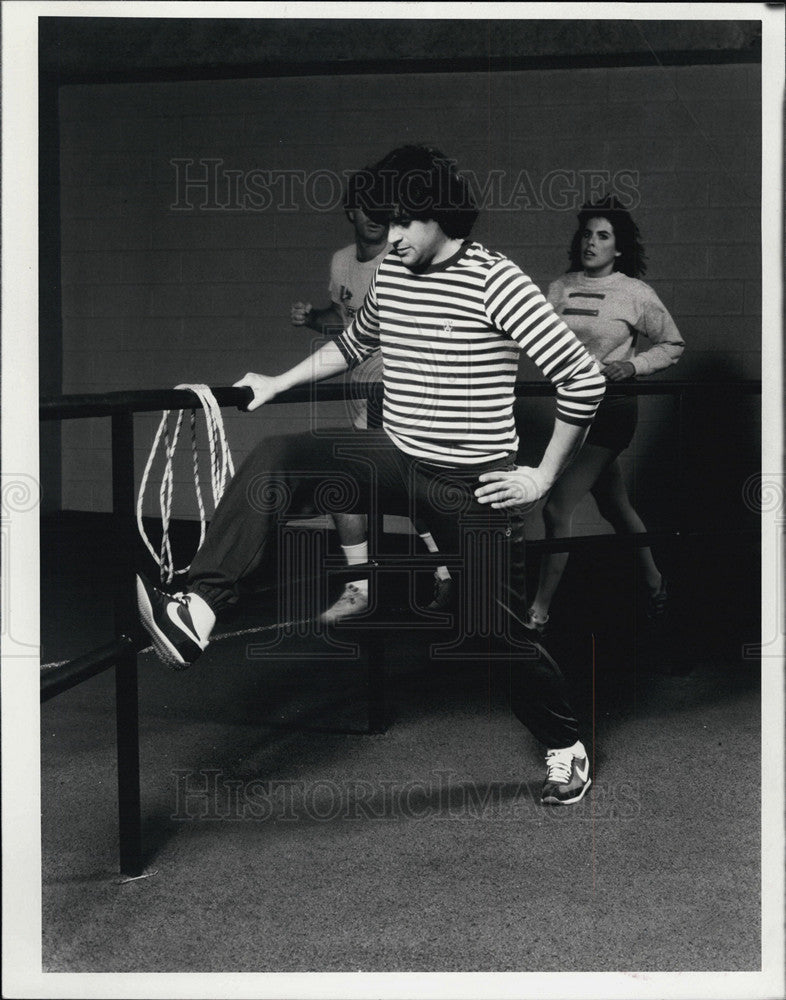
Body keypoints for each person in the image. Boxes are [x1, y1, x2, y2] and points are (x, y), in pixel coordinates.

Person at [136, 144, 607, 806]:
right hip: (394, 456)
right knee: (280, 455)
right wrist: (277, 382)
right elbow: (355, 343)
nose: (389, 239)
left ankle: (565, 747)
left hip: (473, 483)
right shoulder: (392, 272)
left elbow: (581, 377)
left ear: (440, 215)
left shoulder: (498, 280)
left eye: (403, 226)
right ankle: (202, 604)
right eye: (385, 225)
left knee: (492, 633)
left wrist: (542, 478)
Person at [290, 168, 450, 622]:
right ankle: (390, 580)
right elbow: (348, 328)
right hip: (361, 393)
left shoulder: (402, 258)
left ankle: (406, 579)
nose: (378, 216)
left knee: (364, 481)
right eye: (368, 206)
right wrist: (314, 318)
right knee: (374, 487)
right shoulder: (342, 262)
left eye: (387, 207)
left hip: (399, 392)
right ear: (351, 212)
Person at [523, 196, 685, 635]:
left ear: (618, 248)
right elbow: (535, 337)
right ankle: (656, 583)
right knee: (615, 505)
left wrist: (633, 365)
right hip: (570, 409)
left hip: (611, 411)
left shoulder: (634, 292)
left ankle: (538, 614)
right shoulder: (560, 287)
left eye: (603, 236)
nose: (590, 242)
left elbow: (673, 344)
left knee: (557, 508)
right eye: (586, 234)